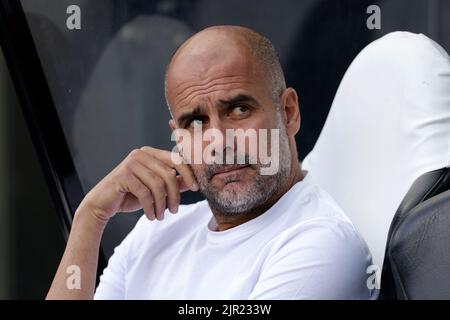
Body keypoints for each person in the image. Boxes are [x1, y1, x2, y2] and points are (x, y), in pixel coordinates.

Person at [47, 25, 373, 300]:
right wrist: (90, 217)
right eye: (196, 122)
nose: (218, 140)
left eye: (239, 109)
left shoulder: (322, 245)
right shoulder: (155, 233)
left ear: (288, 112)